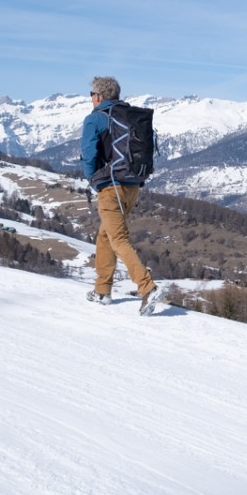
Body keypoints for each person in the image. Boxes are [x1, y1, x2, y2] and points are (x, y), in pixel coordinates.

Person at [81, 75, 160, 315]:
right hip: (132, 185)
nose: (91, 99)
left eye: (91, 95)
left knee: (118, 239)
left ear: (98, 96)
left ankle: (147, 287)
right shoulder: (130, 116)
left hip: (110, 187)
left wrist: (93, 180)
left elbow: (88, 154)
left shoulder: (95, 118)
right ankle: (102, 290)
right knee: (105, 236)